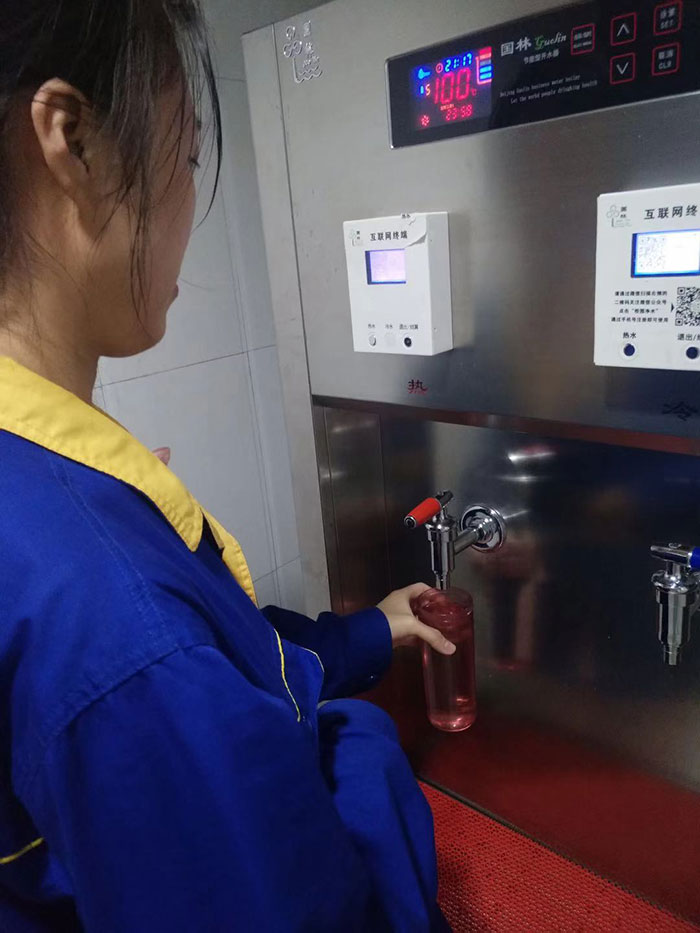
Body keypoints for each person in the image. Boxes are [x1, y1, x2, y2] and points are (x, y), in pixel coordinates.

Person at [0, 3, 455, 930]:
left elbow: (230, 659)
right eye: (188, 152)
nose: (189, 206)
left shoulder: (44, 486)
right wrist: (365, 763)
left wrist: (368, 633)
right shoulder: (115, 617)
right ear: (74, 143)